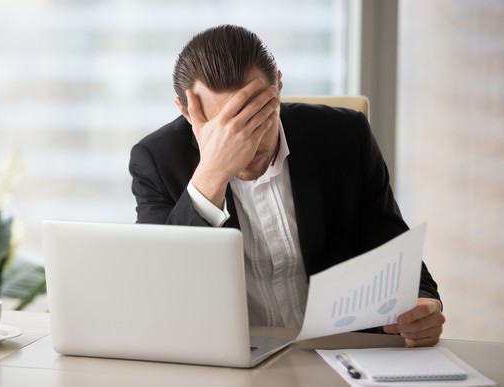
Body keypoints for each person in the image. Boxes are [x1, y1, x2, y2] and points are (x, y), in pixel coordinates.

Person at [129, 24, 445, 347]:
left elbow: (392, 251)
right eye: (223, 130)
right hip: (229, 358)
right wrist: (212, 174)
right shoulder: (155, 161)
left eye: (256, 120)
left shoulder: (345, 137)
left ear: (278, 87)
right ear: (186, 111)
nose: (245, 147)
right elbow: (160, 293)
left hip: (337, 352)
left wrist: (421, 305)